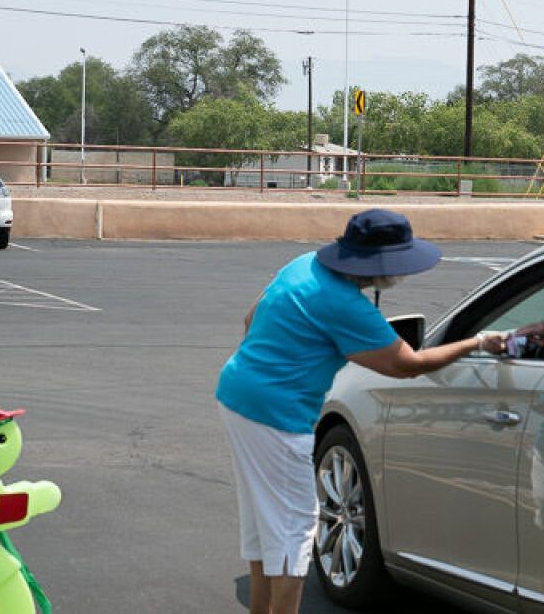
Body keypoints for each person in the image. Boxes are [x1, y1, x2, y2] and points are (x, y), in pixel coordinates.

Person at [215, 209, 505, 614]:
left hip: (237, 396)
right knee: (295, 532)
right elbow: (408, 364)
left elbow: (251, 320)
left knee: (264, 526)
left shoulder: (303, 266)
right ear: (381, 265)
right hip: (278, 418)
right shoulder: (345, 305)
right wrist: (478, 343)